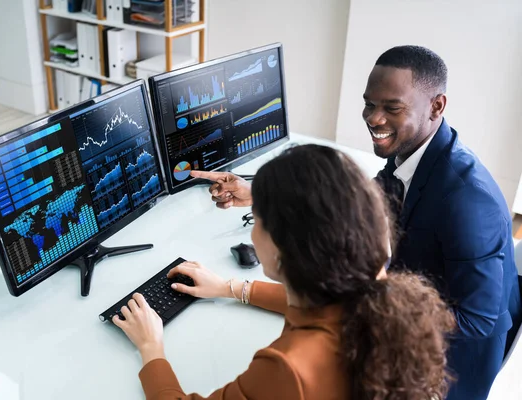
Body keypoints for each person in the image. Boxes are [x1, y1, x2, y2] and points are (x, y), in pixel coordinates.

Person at [191, 45, 522, 400]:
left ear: (437, 106)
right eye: (369, 104)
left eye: (391, 108)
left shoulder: (468, 200)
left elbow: (480, 320)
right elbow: (357, 201)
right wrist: (263, 193)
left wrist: (375, 305)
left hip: (446, 370)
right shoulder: (412, 154)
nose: (373, 118)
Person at [113, 145, 456, 399]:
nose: (251, 232)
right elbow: (331, 305)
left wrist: (151, 348)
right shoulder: (379, 287)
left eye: (258, 220)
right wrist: (232, 288)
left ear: (284, 249)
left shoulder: (287, 367)